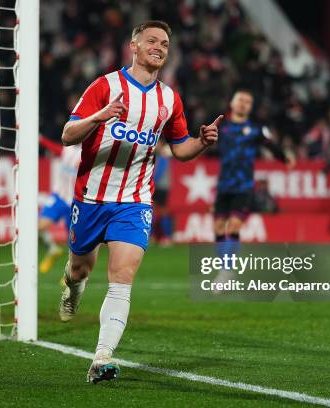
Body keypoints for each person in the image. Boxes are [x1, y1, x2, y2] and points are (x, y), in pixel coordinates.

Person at [59, 20, 222, 383]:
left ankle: (101, 357)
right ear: (133, 46)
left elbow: (180, 150)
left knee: (123, 277)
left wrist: (202, 142)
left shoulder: (169, 99)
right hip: (91, 198)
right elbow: (68, 134)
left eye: (165, 43)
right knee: (80, 269)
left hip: (134, 201)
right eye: (152, 40)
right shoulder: (105, 86)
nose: (159, 47)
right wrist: (100, 116)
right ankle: (72, 288)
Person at [213, 89, 293, 284]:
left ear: (251, 107)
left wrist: (285, 158)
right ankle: (226, 270)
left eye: (248, 102)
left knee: (232, 226)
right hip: (224, 186)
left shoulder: (256, 129)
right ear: (232, 103)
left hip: (244, 187)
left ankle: (226, 273)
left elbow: (271, 146)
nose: (243, 104)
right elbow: (204, 143)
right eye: (240, 100)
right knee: (218, 229)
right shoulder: (221, 126)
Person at [38, 135, 81, 273]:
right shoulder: (68, 150)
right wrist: (41, 139)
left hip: (75, 202)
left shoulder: (88, 155)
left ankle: (72, 272)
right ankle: (53, 249)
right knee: (39, 226)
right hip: (59, 197)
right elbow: (55, 149)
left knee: (74, 241)